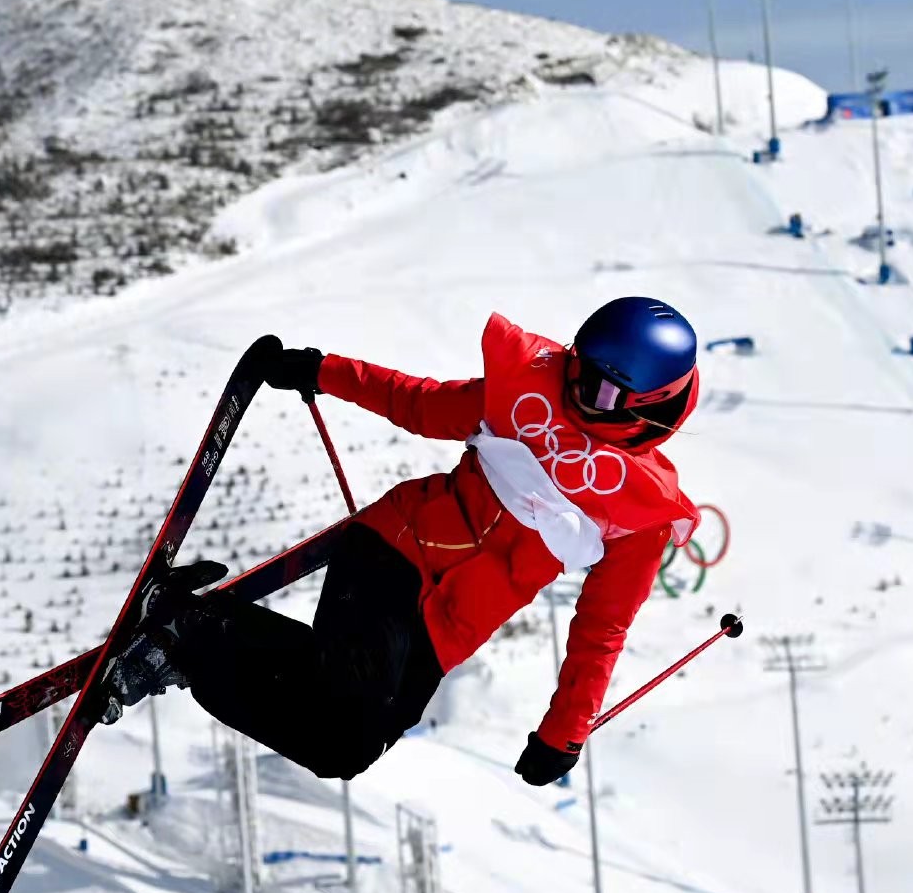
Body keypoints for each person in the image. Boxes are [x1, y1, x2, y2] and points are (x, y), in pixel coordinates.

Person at [102, 297, 702, 786]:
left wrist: (563, 731)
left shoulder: (640, 511)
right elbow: (419, 402)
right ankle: (187, 634)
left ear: (649, 408)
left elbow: (603, 628)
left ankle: (200, 632)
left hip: (451, 627)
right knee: (346, 690)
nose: (575, 392)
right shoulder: (529, 394)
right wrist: (321, 370)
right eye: (575, 367)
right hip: (400, 547)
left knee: (342, 750)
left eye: (598, 391)